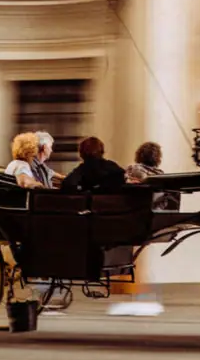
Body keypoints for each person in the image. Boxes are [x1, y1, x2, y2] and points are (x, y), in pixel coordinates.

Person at [111, 142, 169, 318]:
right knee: (139, 256)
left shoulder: (132, 169)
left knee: (132, 255)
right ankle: (136, 292)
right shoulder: (161, 175)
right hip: (152, 219)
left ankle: (131, 292)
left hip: (130, 217)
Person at [60, 135, 126, 194]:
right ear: (102, 151)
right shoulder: (114, 168)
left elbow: (67, 185)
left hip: (92, 206)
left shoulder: (82, 170)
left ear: (81, 154)